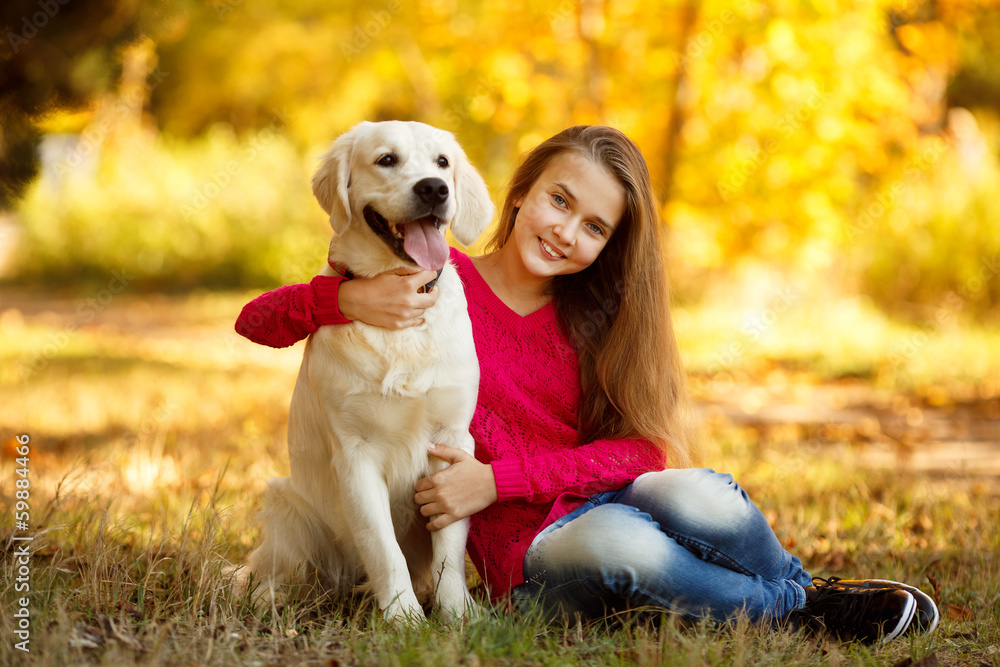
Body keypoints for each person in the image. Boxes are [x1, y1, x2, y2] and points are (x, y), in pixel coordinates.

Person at [235, 125, 938, 645]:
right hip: (530, 551)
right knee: (618, 547)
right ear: (520, 195)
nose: (567, 231)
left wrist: (500, 479)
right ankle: (806, 614)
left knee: (701, 491)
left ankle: (808, 592)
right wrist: (342, 301)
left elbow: (646, 451)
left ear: (610, 244)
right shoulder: (435, 284)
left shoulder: (598, 318)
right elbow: (257, 320)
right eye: (559, 201)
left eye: (594, 226)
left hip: (588, 496)